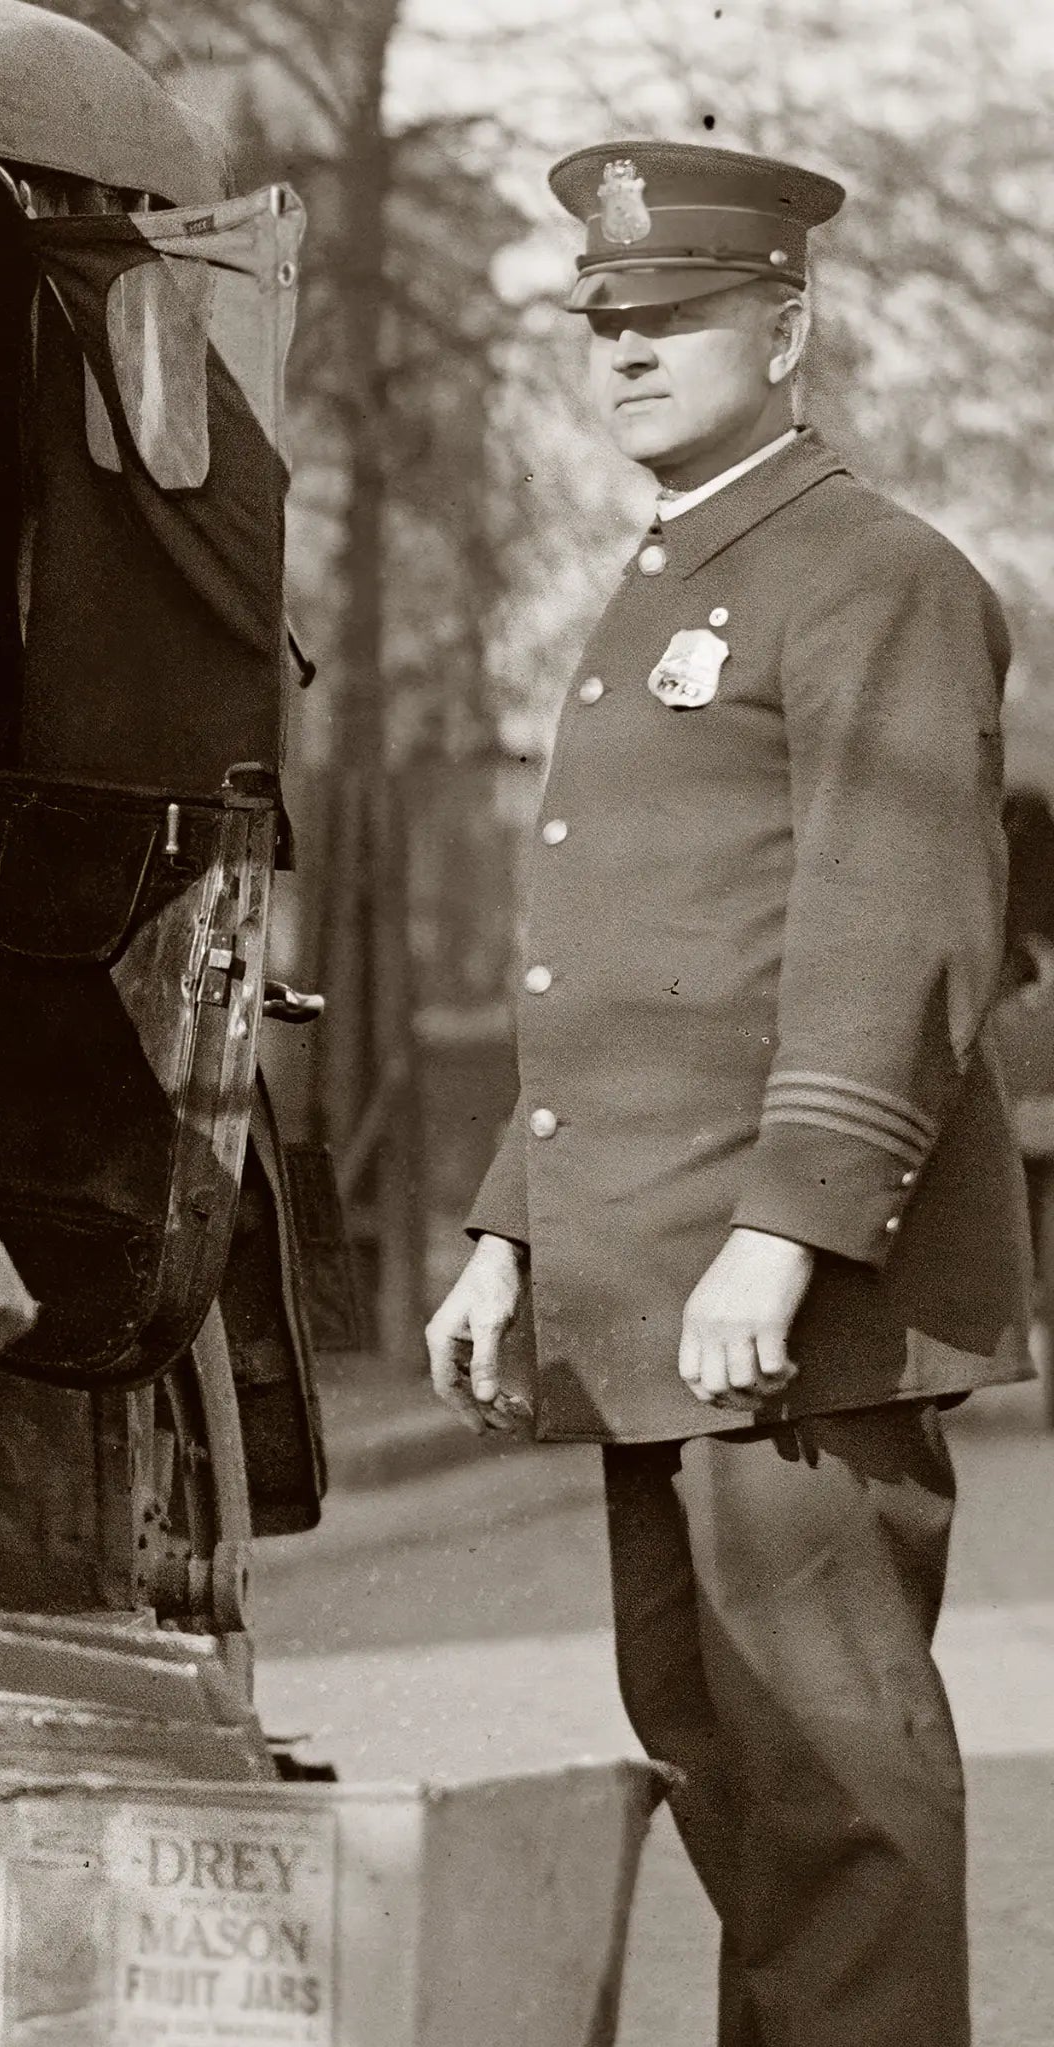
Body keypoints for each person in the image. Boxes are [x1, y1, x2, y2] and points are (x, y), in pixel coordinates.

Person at [425, 140, 1031, 2047]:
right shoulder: (675, 576)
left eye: (673, 318)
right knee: (726, 1766)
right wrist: (511, 1233)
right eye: (605, 322)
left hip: (787, 1303)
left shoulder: (877, 577)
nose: (624, 351)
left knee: (834, 1798)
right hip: (659, 1287)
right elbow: (618, 953)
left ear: (788, 329)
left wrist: (783, 1234)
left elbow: (897, 926)